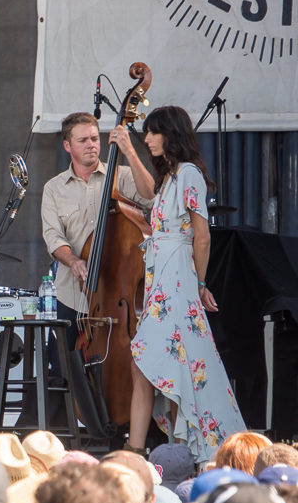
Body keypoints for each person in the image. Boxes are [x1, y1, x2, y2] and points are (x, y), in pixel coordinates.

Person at [110, 105, 246, 462]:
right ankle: (138, 451)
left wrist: (200, 283)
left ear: (171, 135)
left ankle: (149, 451)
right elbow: (148, 193)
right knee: (151, 361)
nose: (148, 138)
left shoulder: (189, 174)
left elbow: (202, 236)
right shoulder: (171, 176)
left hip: (176, 275)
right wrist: (128, 150)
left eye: (154, 132)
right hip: (163, 272)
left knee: (152, 359)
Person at [41, 112, 154, 353]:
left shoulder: (120, 176)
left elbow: (152, 199)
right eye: (83, 140)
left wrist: (130, 153)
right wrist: (73, 261)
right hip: (71, 295)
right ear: (67, 146)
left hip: (118, 293)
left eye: (94, 138)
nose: (91, 145)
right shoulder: (53, 188)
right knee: (63, 372)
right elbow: (53, 236)